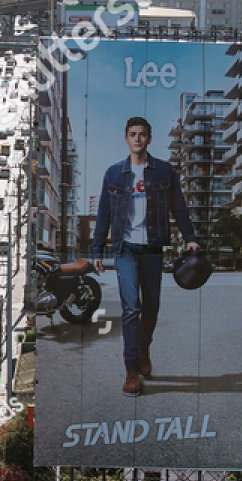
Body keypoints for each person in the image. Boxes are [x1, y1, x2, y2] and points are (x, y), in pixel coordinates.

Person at [92, 115, 198, 396]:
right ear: (126, 138)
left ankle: (143, 351)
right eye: (132, 134)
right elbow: (103, 213)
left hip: (152, 250)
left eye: (142, 134)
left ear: (149, 139)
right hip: (125, 249)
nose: (137, 139)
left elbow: (180, 208)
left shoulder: (165, 172)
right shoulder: (113, 174)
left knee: (151, 308)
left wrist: (190, 238)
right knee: (131, 308)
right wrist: (97, 250)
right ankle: (131, 370)